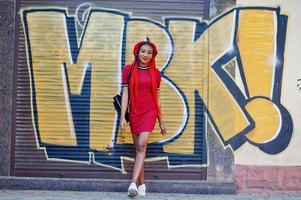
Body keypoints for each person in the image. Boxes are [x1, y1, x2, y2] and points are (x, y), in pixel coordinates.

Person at [120, 38, 167, 197]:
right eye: (143, 51)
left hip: (150, 111)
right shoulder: (128, 70)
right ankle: (142, 185)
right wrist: (122, 118)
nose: (145, 54)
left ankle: (132, 183)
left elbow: (157, 97)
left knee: (142, 143)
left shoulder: (156, 73)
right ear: (137, 52)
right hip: (134, 112)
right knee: (140, 149)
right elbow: (125, 94)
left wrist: (161, 121)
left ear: (153, 55)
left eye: (149, 52)